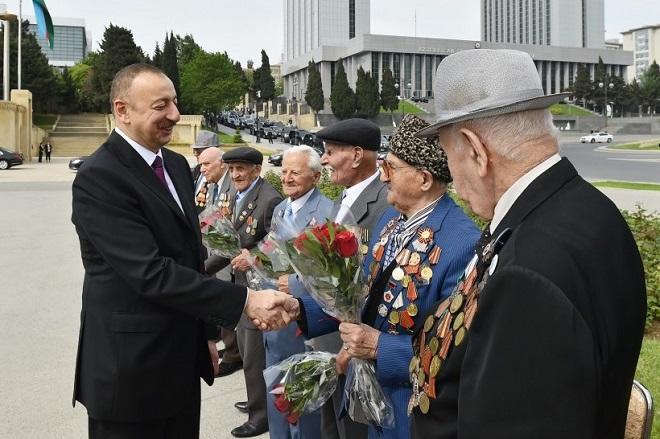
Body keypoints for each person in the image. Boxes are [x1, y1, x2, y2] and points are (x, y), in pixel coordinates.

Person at [408, 49, 646, 438]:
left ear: (475, 150)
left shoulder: (525, 276)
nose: (450, 177)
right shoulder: (589, 209)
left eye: (448, 156)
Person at [70, 63, 292, 439]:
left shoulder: (174, 165)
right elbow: (150, 273)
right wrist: (245, 301)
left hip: (182, 362)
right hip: (130, 372)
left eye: (175, 102)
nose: (174, 114)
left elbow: (191, 256)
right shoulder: (100, 177)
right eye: (161, 105)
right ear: (123, 110)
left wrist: (206, 336)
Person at [327, 114, 479, 439]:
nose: (382, 176)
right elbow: (365, 292)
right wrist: (298, 307)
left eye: (391, 167)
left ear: (424, 178)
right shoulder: (390, 219)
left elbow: (456, 352)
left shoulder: (461, 244)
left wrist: (379, 347)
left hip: (411, 415)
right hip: (375, 404)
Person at [305, 118, 391, 439]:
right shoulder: (342, 199)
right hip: (332, 341)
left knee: (354, 431)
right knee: (332, 429)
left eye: (330, 152)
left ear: (356, 155)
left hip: (358, 350)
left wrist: (348, 350)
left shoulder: (386, 202)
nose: (324, 159)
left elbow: (380, 285)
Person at [216, 146, 283, 438]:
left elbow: (278, 244)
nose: (235, 175)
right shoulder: (236, 194)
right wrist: (200, 270)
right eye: (231, 169)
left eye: (241, 168)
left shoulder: (269, 198)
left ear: (257, 169)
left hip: (260, 288)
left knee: (255, 354)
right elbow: (229, 242)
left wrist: (253, 256)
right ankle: (256, 399)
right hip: (240, 283)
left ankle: (261, 416)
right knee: (246, 350)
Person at [265, 145, 332, 439]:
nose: (287, 178)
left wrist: (293, 284)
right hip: (276, 317)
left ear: (316, 177)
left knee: (304, 401)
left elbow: (333, 272)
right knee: (277, 392)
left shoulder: (328, 211)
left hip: (306, 319)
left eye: (295, 172)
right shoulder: (281, 208)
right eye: (284, 171)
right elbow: (275, 255)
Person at [197, 147, 243, 378]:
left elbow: (234, 224)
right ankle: (231, 347)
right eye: (201, 164)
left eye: (207, 164)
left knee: (228, 303)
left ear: (222, 163)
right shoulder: (214, 185)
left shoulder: (232, 185)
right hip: (216, 252)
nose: (202, 169)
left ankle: (234, 355)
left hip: (229, 257)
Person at [192, 130, 221, 214]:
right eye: (195, 150)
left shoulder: (220, 172)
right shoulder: (197, 169)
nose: (196, 154)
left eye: (199, 151)